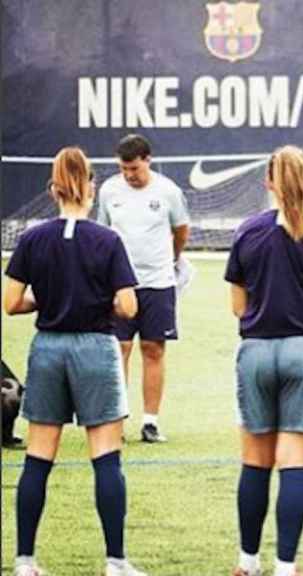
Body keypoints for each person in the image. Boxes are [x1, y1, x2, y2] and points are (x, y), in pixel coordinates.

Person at [5, 147, 146, 576]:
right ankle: (115, 561)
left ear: (53, 189)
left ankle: (25, 560)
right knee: (106, 457)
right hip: (94, 348)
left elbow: (11, 303)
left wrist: (47, 298)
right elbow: (128, 306)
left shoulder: (33, 238)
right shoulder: (107, 239)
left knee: (37, 457)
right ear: (91, 187)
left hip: (48, 348)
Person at [225, 146, 303, 576]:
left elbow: (238, 305)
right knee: (294, 462)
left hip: (256, 350)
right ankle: (285, 566)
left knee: (255, 462)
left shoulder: (247, 232)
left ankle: (246, 562)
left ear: (268, 182)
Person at [97, 134, 190, 443]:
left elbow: (181, 230)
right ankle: (115, 420)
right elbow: (102, 232)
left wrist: (172, 259)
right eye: (124, 169)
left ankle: (150, 422)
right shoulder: (109, 190)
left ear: (147, 161)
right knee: (118, 350)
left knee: (153, 349)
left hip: (159, 283)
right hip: (121, 285)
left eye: (134, 168)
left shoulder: (168, 191)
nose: (129, 175)